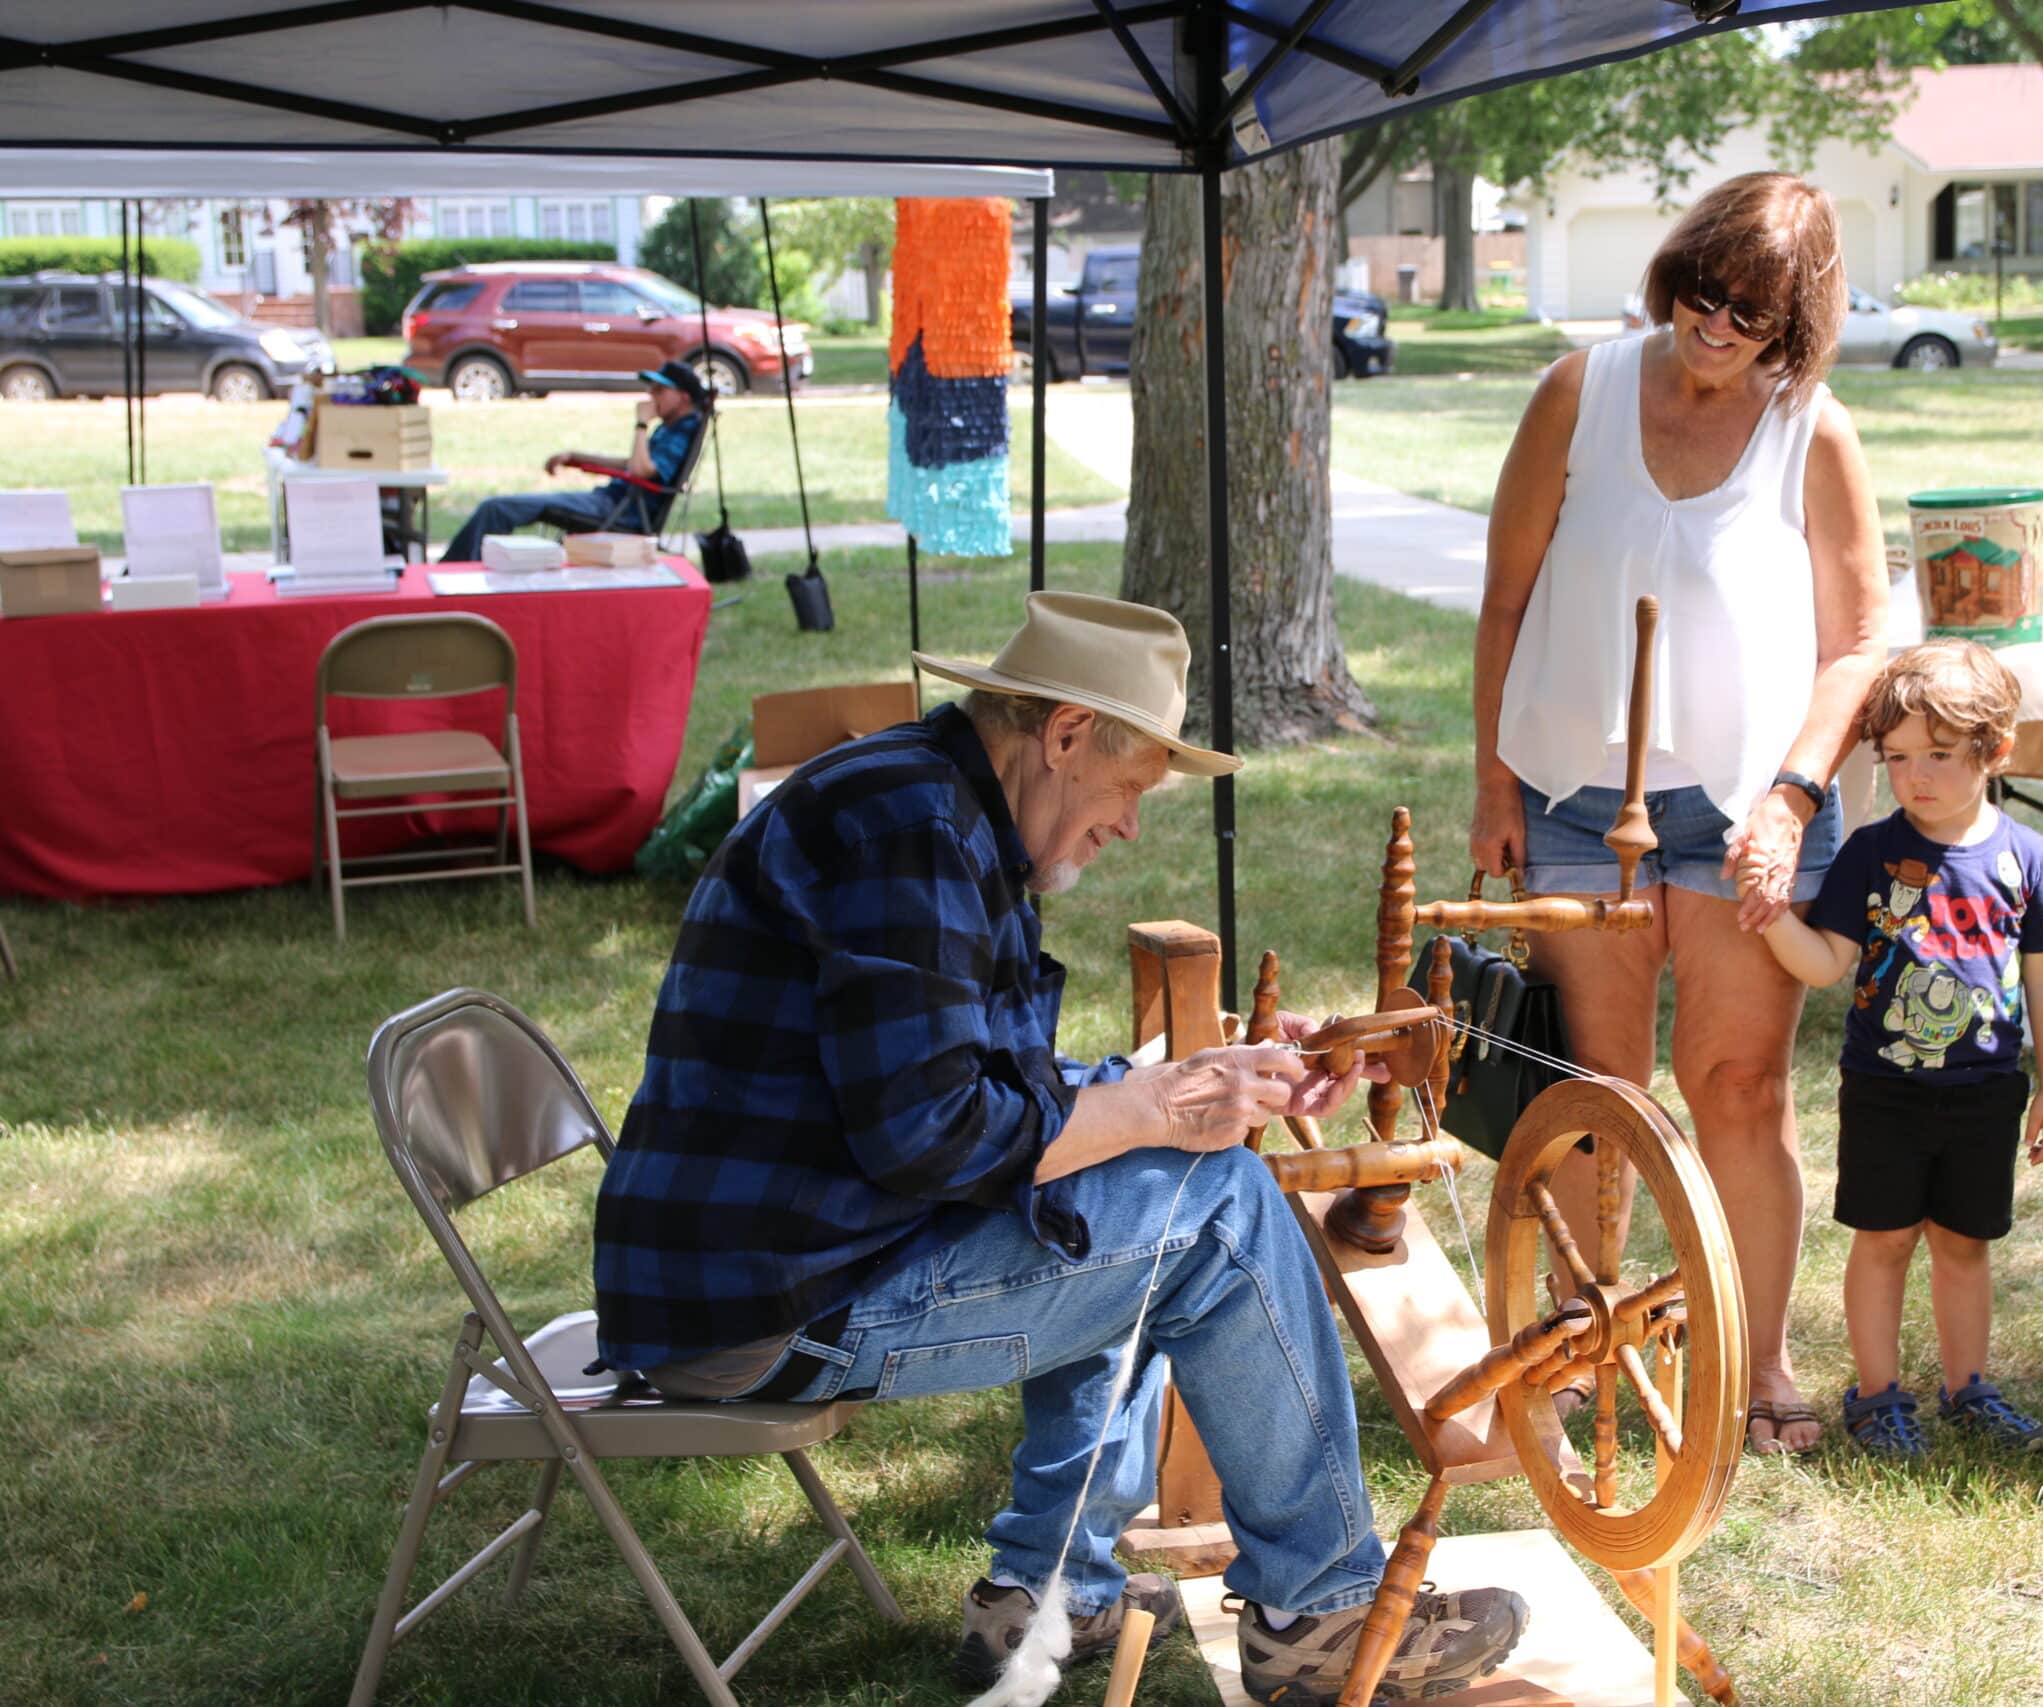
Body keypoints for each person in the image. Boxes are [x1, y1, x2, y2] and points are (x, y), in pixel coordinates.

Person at [592, 592, 1530, 1700]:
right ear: (1067, 735)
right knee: (1218, 1213)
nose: (1131, 823)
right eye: (1131, 787)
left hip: (773, 1260)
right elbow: (935, 1138)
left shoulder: (938, 811)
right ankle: (1319, 1618)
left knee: (1151, 1190)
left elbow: (985, 1092)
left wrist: (1201, 1079)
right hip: (762, 1304)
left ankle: (1049, 1592)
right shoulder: (912, 831)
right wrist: (1160, 1110)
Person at [1469, 171, 1889, 1454]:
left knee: (1739, 1086)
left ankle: (1753, 1362)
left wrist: (1792, 796)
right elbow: (1504, 598)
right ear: (1674, 277)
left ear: (1795, 326)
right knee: (1600, 1088)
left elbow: (1860, 642)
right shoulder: (1575, 394)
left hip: (1744, 801)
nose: (1718, 331)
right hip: (1573, 791)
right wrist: (1491, 778)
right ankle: (1585, 1339)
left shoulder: (1811, 430)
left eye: (1753, 317)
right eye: (1704, 298)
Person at [1753, 641, 2043, 1456]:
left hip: (1986, 1090)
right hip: (1884, 1088)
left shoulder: (2025, 857)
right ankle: (1874, 1396)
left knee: (1964, 1242)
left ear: (1995, 750)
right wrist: (1771, 918)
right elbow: (1828, 964)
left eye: (1938, 754)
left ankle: (1970, 1389)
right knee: (1886, 1238)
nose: (1915, 776)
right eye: (1896, 758)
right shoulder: (1870, 852)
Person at [438, 360, 708, 562]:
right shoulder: (670, 427)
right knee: (497, 508)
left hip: (619, 510)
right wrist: (577, 457)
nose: (652, 395)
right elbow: (632, 464)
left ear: (683, 397)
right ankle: (450, 572)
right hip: (608, 500)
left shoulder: (682, 430)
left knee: (496, 508)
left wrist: (640, 424)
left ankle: (452, 574)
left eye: (660, 390)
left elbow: (641, 470)